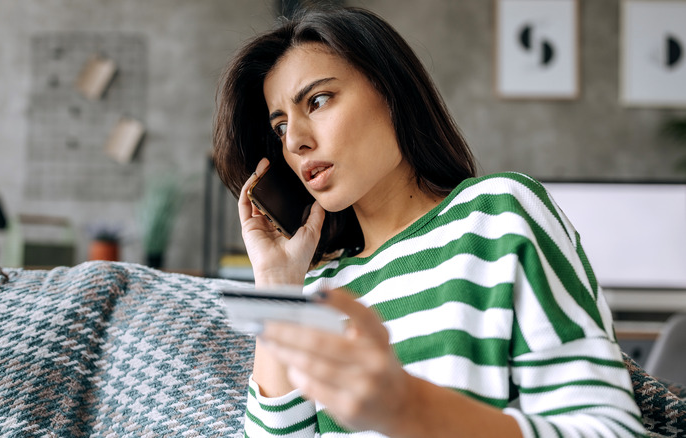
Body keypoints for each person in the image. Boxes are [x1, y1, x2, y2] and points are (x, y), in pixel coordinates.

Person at [212, 6, 645, 438]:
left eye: (318, 100)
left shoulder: (498, 216)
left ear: (392, 91)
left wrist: (411, 408)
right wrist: (277, 283)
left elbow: (610, 429)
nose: (296, 141)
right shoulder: (317, 289)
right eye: (281, 126)